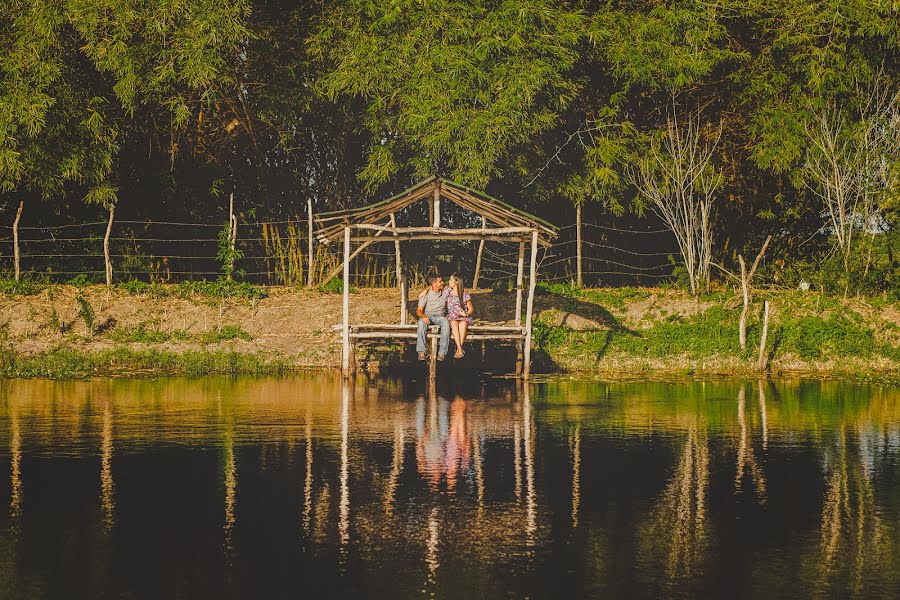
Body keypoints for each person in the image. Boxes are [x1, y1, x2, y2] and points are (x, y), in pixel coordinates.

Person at [416, 273, 451, 361]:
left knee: (445, 322)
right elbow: (419, 311)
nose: (442, 282)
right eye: (440, 281)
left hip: (440, 317)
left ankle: (442, 352)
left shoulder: (445, 291)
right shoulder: (426, 295)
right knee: (421, 322)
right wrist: (423, 316)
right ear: (434, 283)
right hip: (428, 315)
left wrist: (426, 288)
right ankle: (421, 351)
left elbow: (456, 287)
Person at [446, 274, 474, 358]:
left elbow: (471, 309)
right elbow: (434, 284)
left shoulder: (464, 294)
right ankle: (460, 349)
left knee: (463, 323)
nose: (449, 281)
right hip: (452, 316)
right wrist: (424, 291)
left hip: (462, 317)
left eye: (451, 280)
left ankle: (458, 349)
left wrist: (466, 314)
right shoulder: (447, 291)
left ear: (456, 282)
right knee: (454, 323)